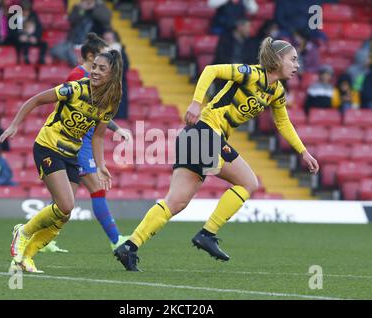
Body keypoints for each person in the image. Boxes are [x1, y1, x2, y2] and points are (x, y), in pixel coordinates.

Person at [114, 37, 319, 271]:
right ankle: (207, 233)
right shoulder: (250, 74)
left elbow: (283, 123)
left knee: (176, 202)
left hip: (195, 136)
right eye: (292, 59)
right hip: (205, 132)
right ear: (277, 59)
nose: (297, 65)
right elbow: (211, 70)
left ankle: (129, 247)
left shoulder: (276, 92)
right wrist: (195, 103)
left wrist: (303, 152)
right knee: (249, 182)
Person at [0, 50, 123, 273]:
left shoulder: (109, 101)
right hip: (48, 146)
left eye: (101, 68)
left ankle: (25, 257)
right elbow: (37, 99)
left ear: (113, 74)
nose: (94, 71)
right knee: (66, 205)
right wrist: (14, 125)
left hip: (71, 154)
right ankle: (24, 231)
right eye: (94, 66)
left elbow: (97, 136)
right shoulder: (75, 89)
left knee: (64, 214)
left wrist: (101, 165)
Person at [31, 32, 130, 255]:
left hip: (83, 140)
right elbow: (74, 104)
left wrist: (116, 128)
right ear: (91, 56)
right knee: (95, 189)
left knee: (67, 199)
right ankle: (115, 239)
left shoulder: (100, 84)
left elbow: (98, 112)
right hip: (76, 141)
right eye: (99, 61)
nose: (101, 67)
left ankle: (41, 237)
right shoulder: (78, 75)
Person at [50, 0, 112, 67]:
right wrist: (82, 10)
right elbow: (72, 20)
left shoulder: (101, 7)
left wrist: (93, 8)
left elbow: (105, 18)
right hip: (74, 42)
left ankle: (78, 62)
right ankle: (77, 61)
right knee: (55, 50)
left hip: (92, 43)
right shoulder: (78, 7)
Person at [102, 29, 129, 119]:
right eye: (105, 39)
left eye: (109, 38)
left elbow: (125, 67)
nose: (107, 41)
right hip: (105, 84)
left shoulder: (120, 50)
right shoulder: (102, 52)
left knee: (119, 109)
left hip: (118, 83)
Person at [10, 0, 46, 64]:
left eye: (27, 11)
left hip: (31, 38)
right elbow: (11, 31)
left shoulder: (33, 15)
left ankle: (41, 59)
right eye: (24, 10)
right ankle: (24, 59)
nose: (26, 12)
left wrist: (35, 37)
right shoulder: (14, 17)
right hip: (19, 41)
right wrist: (19, 37)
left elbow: (39, 28)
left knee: (44, 44)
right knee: (22, 44)